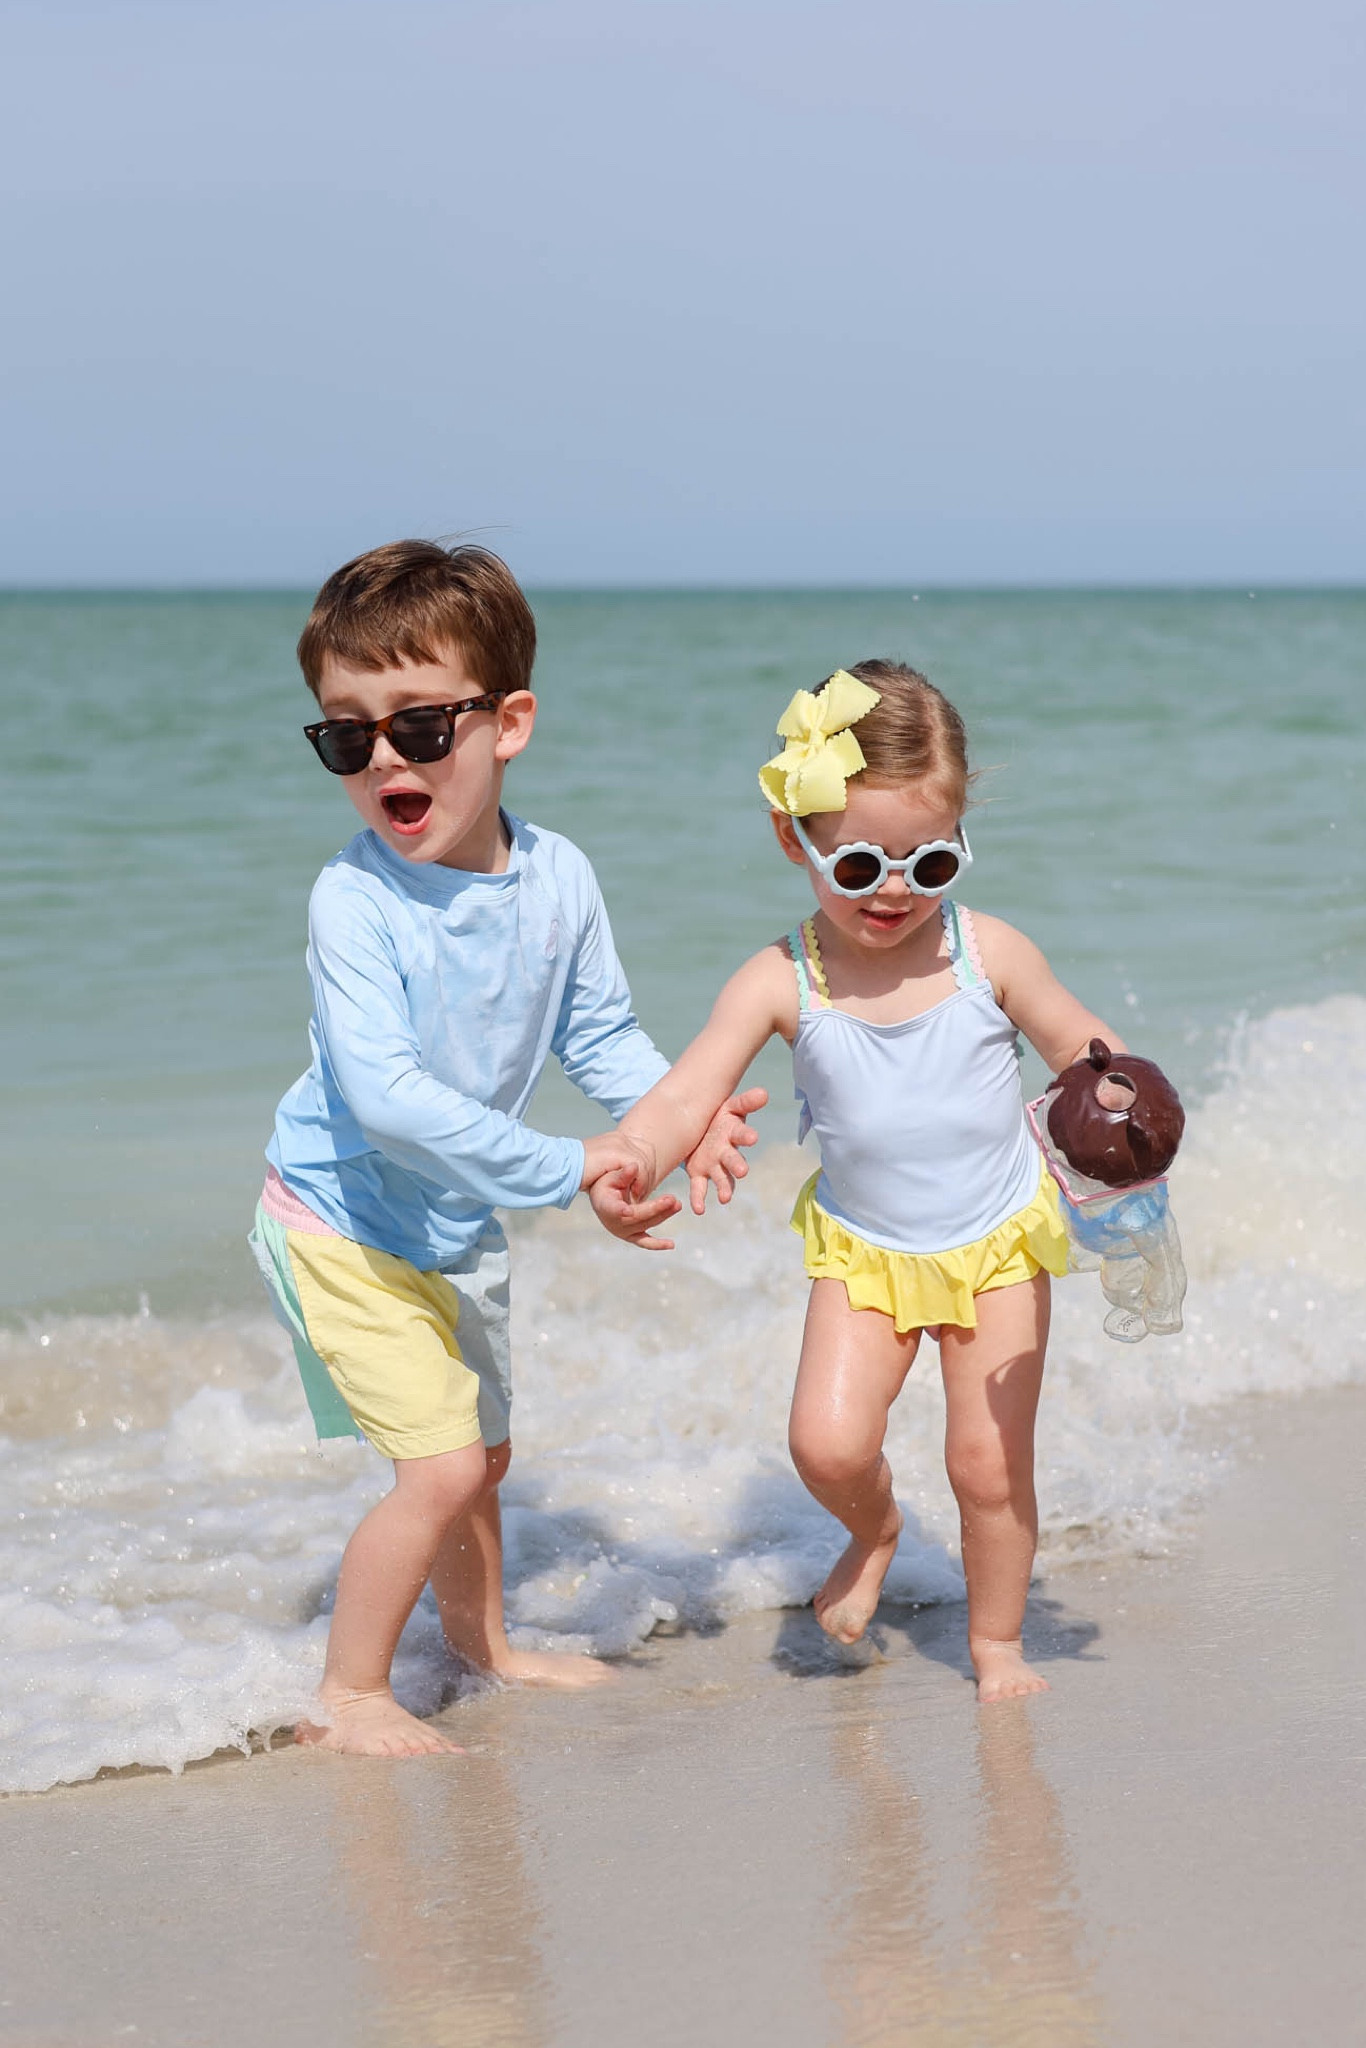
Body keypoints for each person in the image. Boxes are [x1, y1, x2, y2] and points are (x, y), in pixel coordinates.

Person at [251, 539, 758, 1756]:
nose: (383, 760)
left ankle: (481, 1645)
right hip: (338, 1220)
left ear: (506, 722)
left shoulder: (557, 876)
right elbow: (388, 1098)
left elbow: (602, 1034)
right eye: (345, 735)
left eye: (419, 728)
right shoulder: (354, 902)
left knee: (481, 1454)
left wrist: (674, 1123)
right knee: (432, 1470)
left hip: (451, 1221)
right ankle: (352, 1690)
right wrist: (570, 1167)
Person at [592, 663, 1127, 1702]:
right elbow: (685, 1093)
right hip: (866, 1248)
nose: (894, 889)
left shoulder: (988, 953)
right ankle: (874, 1528)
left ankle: (997, 1643)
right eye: (858, 864)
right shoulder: (780, 977)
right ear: (795, 839)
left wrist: (1122, 1101)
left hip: (996, 1241)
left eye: (929, 861)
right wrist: (630, 1160)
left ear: (961, 839)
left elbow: (1081, 1045)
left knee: (986, 1462)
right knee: (826, 1442)